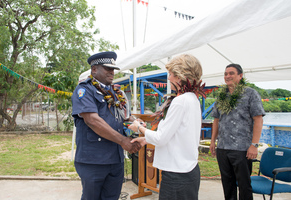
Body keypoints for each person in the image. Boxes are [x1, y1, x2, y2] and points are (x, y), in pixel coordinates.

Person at [129, 54, 206, 200]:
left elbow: (161, 138)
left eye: (170, 74)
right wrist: (146, 140)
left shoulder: (180, 101)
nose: (169, 78)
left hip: (177, 175)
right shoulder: (192, 98)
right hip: (188, 171)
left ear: (179, 76)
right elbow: (178, 135)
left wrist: (139, 127)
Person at [71, 51, 141, 200]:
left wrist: (135, 122)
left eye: (113, 69)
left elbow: (124, 116)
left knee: (112, 197)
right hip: (93, 160)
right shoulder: (84, 90)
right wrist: (123, 141)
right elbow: (92, 120)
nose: (112, 72)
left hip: (115, 159)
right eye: (107, 68)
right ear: (94, 69)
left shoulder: (116, 92)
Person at [209, 64, 265, 200]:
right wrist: (212, 141)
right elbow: (216, 119)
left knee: (244, 186)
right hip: (223, 147)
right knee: (227, 185)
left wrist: (254, 145)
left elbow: (258, 119)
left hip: (242, 149)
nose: (228, 76)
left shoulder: (250, 93)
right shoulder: (222, 96)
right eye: (226, 73)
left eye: (231, 73)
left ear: (240, 76)